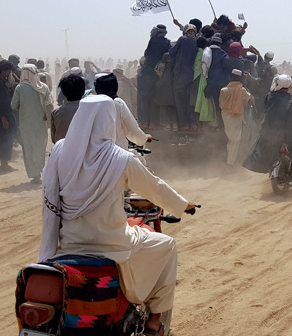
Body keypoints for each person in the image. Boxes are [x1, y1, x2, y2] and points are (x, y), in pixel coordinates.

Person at [39, 95, 196, 336]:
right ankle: (154, 322)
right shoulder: (120, 158)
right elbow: (154, 188)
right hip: (112, 244)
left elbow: (49, 194)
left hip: (68, 243)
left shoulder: (59, 151)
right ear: (109, 120)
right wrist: (183, 205)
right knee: (167, 245)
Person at [242, 75, 292, 173]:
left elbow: (266, 111)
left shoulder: (270, 96)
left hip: (266, 130)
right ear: (289, 86)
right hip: (282, 134)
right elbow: (291, 123)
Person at [11, 65, 53, 183]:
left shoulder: (20, 88)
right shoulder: (43, 87)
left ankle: (34, 175)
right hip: (41, 124)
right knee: (40, 147)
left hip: (26, 124)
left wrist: (23, 109)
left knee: (29, 148)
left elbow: (13, 105)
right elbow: (50, 105)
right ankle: (41, 170)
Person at [94, 73, 150, 150]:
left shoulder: (89, 103)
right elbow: (132, 129)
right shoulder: (117, 103)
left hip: (93, 152)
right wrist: (144, 138)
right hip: (116, 151)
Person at [219, 69, 253, 166]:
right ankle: (230, 164)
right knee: (235, 140)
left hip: (226, 115)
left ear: (230, 77)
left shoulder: (223, 90)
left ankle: (230, 160)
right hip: (237, 116)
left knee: (231, 139)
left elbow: (221, 104)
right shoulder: (242, 90)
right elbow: (248, 98)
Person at [138, 25, 170, 129]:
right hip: (157, 75)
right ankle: (153, 122)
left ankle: (144, 122)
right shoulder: (167, 42)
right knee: (154, 100)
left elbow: (146, 54)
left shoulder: (152, 40)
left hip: (146, 73)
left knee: (143, 99)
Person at [169, 24, 199, 131]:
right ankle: (193, 124)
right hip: (190, 74)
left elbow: (172, 53)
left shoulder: (182, 39)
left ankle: (184, 124)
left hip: (180, 73)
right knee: (188, 101)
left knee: (180, 101)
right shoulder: (196, 42)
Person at [51, 74, 84, 143]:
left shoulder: (56, 112)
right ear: (83, 91)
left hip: (62, 151)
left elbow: (54, 138)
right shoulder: (89, 111)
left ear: (63, 92)